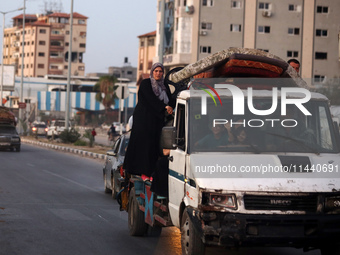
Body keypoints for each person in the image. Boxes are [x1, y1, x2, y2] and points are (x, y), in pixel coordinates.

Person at [123, 63, 175, 180]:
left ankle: (151, 172)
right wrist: (164, 107)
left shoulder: (164, 85)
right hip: (144, 120)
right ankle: (143, 173)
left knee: (154, 147)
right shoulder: (146, 84)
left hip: (157, 120)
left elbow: (170, 99)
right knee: (144, 146)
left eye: (160, 71)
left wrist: (171, 106)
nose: (158, 73)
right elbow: (149, 99)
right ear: (152, 72)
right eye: (156, 71)